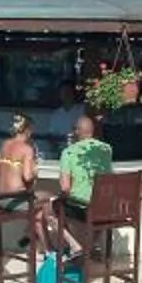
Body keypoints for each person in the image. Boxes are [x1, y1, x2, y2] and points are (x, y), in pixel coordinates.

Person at [48, 107, 116, 262]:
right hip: (105, 207)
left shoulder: (69, 152)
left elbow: (65, 187)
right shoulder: (106, 149)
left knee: (49, 209)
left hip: (84, 208)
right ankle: (91, 245)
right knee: (89, 205)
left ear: (77, 131)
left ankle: (75, 246)